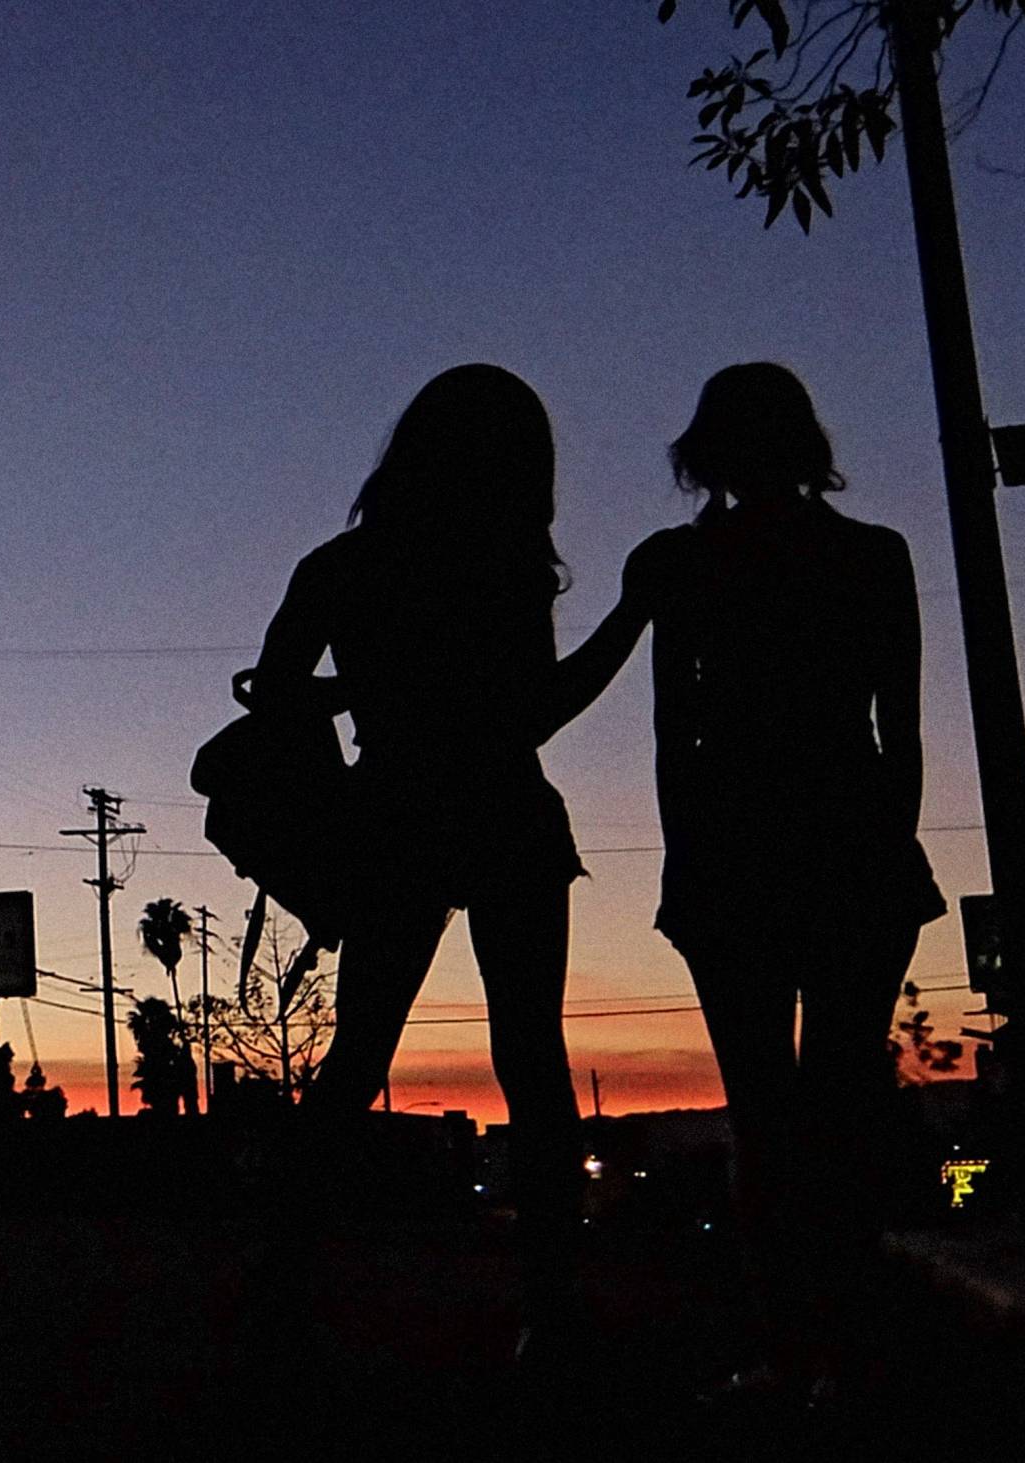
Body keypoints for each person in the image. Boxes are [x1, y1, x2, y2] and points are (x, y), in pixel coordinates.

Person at [249, 363, 647, 1356]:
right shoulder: (502, 567)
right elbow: (533, 712)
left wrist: (358, 707)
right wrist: (629, 618)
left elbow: (272, 698)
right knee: (530, 1060)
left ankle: (283, 1284)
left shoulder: (340, 567)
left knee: (356, 1055)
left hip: (393, 815)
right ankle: (547, 1306)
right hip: (504, 811)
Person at [629, 362, 946, 1401]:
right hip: (845, 837)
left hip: (734, 852)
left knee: (764, 1112)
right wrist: (885, 840)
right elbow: (893, 726)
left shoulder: (686, 565)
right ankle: (844, 1343)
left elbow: (675, 733)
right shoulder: (868, 554)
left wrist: (687, 859)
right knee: (839, 1103)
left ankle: (785, 1344)